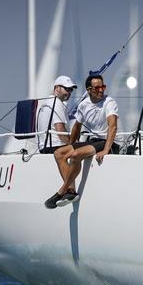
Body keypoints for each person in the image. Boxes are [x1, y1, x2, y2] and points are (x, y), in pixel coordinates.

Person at [44, 74, 119, 208]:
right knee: (59, 153)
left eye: (103, 87)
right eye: (97, 88)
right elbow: (77, 127)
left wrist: (106, 150)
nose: (101, 90)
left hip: (106, 141)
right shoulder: (84, 105)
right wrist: (71, 144)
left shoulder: (109, 102)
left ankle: (61, 191)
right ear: (89, 90)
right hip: (91, 141)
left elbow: (112, 125)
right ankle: (71, 190)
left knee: (75, 155)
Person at [37, 75, 76, 155]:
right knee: (87, 147)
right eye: (67, 89)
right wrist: (71, 144)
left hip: (44, 148)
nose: (69, 93)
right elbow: (60, 130)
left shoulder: (46, 102)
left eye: (71, 90)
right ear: (57, 88)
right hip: (56, 147)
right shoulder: (57, 103)